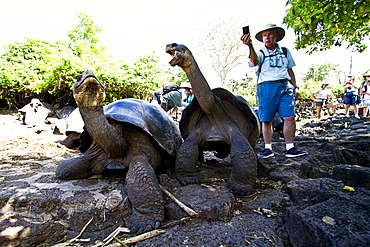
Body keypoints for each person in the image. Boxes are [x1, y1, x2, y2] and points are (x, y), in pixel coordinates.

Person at [241, 23, 308, 159]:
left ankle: (290, 147)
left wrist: (295, 87)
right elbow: (254, 62)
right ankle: (268, 148)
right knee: (266, 119)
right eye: (265, 35)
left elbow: (290, 69)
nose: (267, 38)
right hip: (266, 87)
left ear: (276, 35)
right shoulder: (260, 52)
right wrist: (249, 46)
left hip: (284, 86)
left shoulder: (285, 51)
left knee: (289, 117)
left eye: (270, 34)